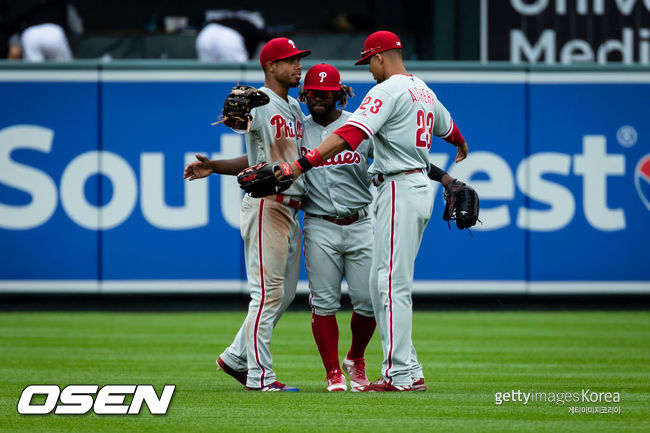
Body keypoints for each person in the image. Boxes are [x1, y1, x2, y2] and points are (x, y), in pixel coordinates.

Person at [270, 30, 469, 392]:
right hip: (415, 185)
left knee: (390, 286)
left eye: (369, 63)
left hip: (399, 186)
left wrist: (303, 164)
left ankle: (398, 375)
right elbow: (447, 126)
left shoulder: (387, 89)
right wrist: (459, 142)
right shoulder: (423, 89)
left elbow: (352, 134)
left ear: (380, 57)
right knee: (389, 286)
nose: (369, 71)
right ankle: (410, 368)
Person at [185, 37, 310, 391]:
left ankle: (235, 358)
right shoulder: (261, 100)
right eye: (291, 60)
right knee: (267, 294)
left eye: (299, 59)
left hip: (292, 209)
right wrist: (237, 116)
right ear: (271, 67)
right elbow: (240, 117)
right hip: (266, 205)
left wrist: (216, 166)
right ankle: (260, 377)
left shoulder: (296, 108)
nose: (298, 65)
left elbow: (257, 158)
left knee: (283, 295)